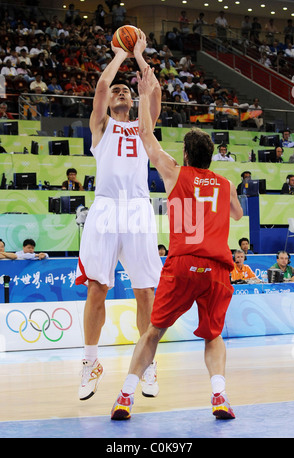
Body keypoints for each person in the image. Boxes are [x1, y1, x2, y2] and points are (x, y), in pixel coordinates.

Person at [111, 66, 243, 421]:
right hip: (216, 269)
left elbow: (144, 134)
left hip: (183, 263)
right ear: (210, 157)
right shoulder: (225, 183)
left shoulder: (174, 172)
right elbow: (238, 216)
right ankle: (219, 396)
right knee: (213, 336)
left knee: (153, 332)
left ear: (186, 155)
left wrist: (145, 91)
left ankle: (125, 396)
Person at [75, 32, 162, 401]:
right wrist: (119, 56)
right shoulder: (102, 127)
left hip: (139, 207)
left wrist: (140, 57)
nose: (122, 91)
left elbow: (153, 93)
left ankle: (147, 365)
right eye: (118, 90)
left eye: (127, 90)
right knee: (98, 288)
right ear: (110, 102)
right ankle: (90, 362)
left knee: (146, 291)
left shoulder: (144, 127)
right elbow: (99, 87)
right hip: (107, 207)